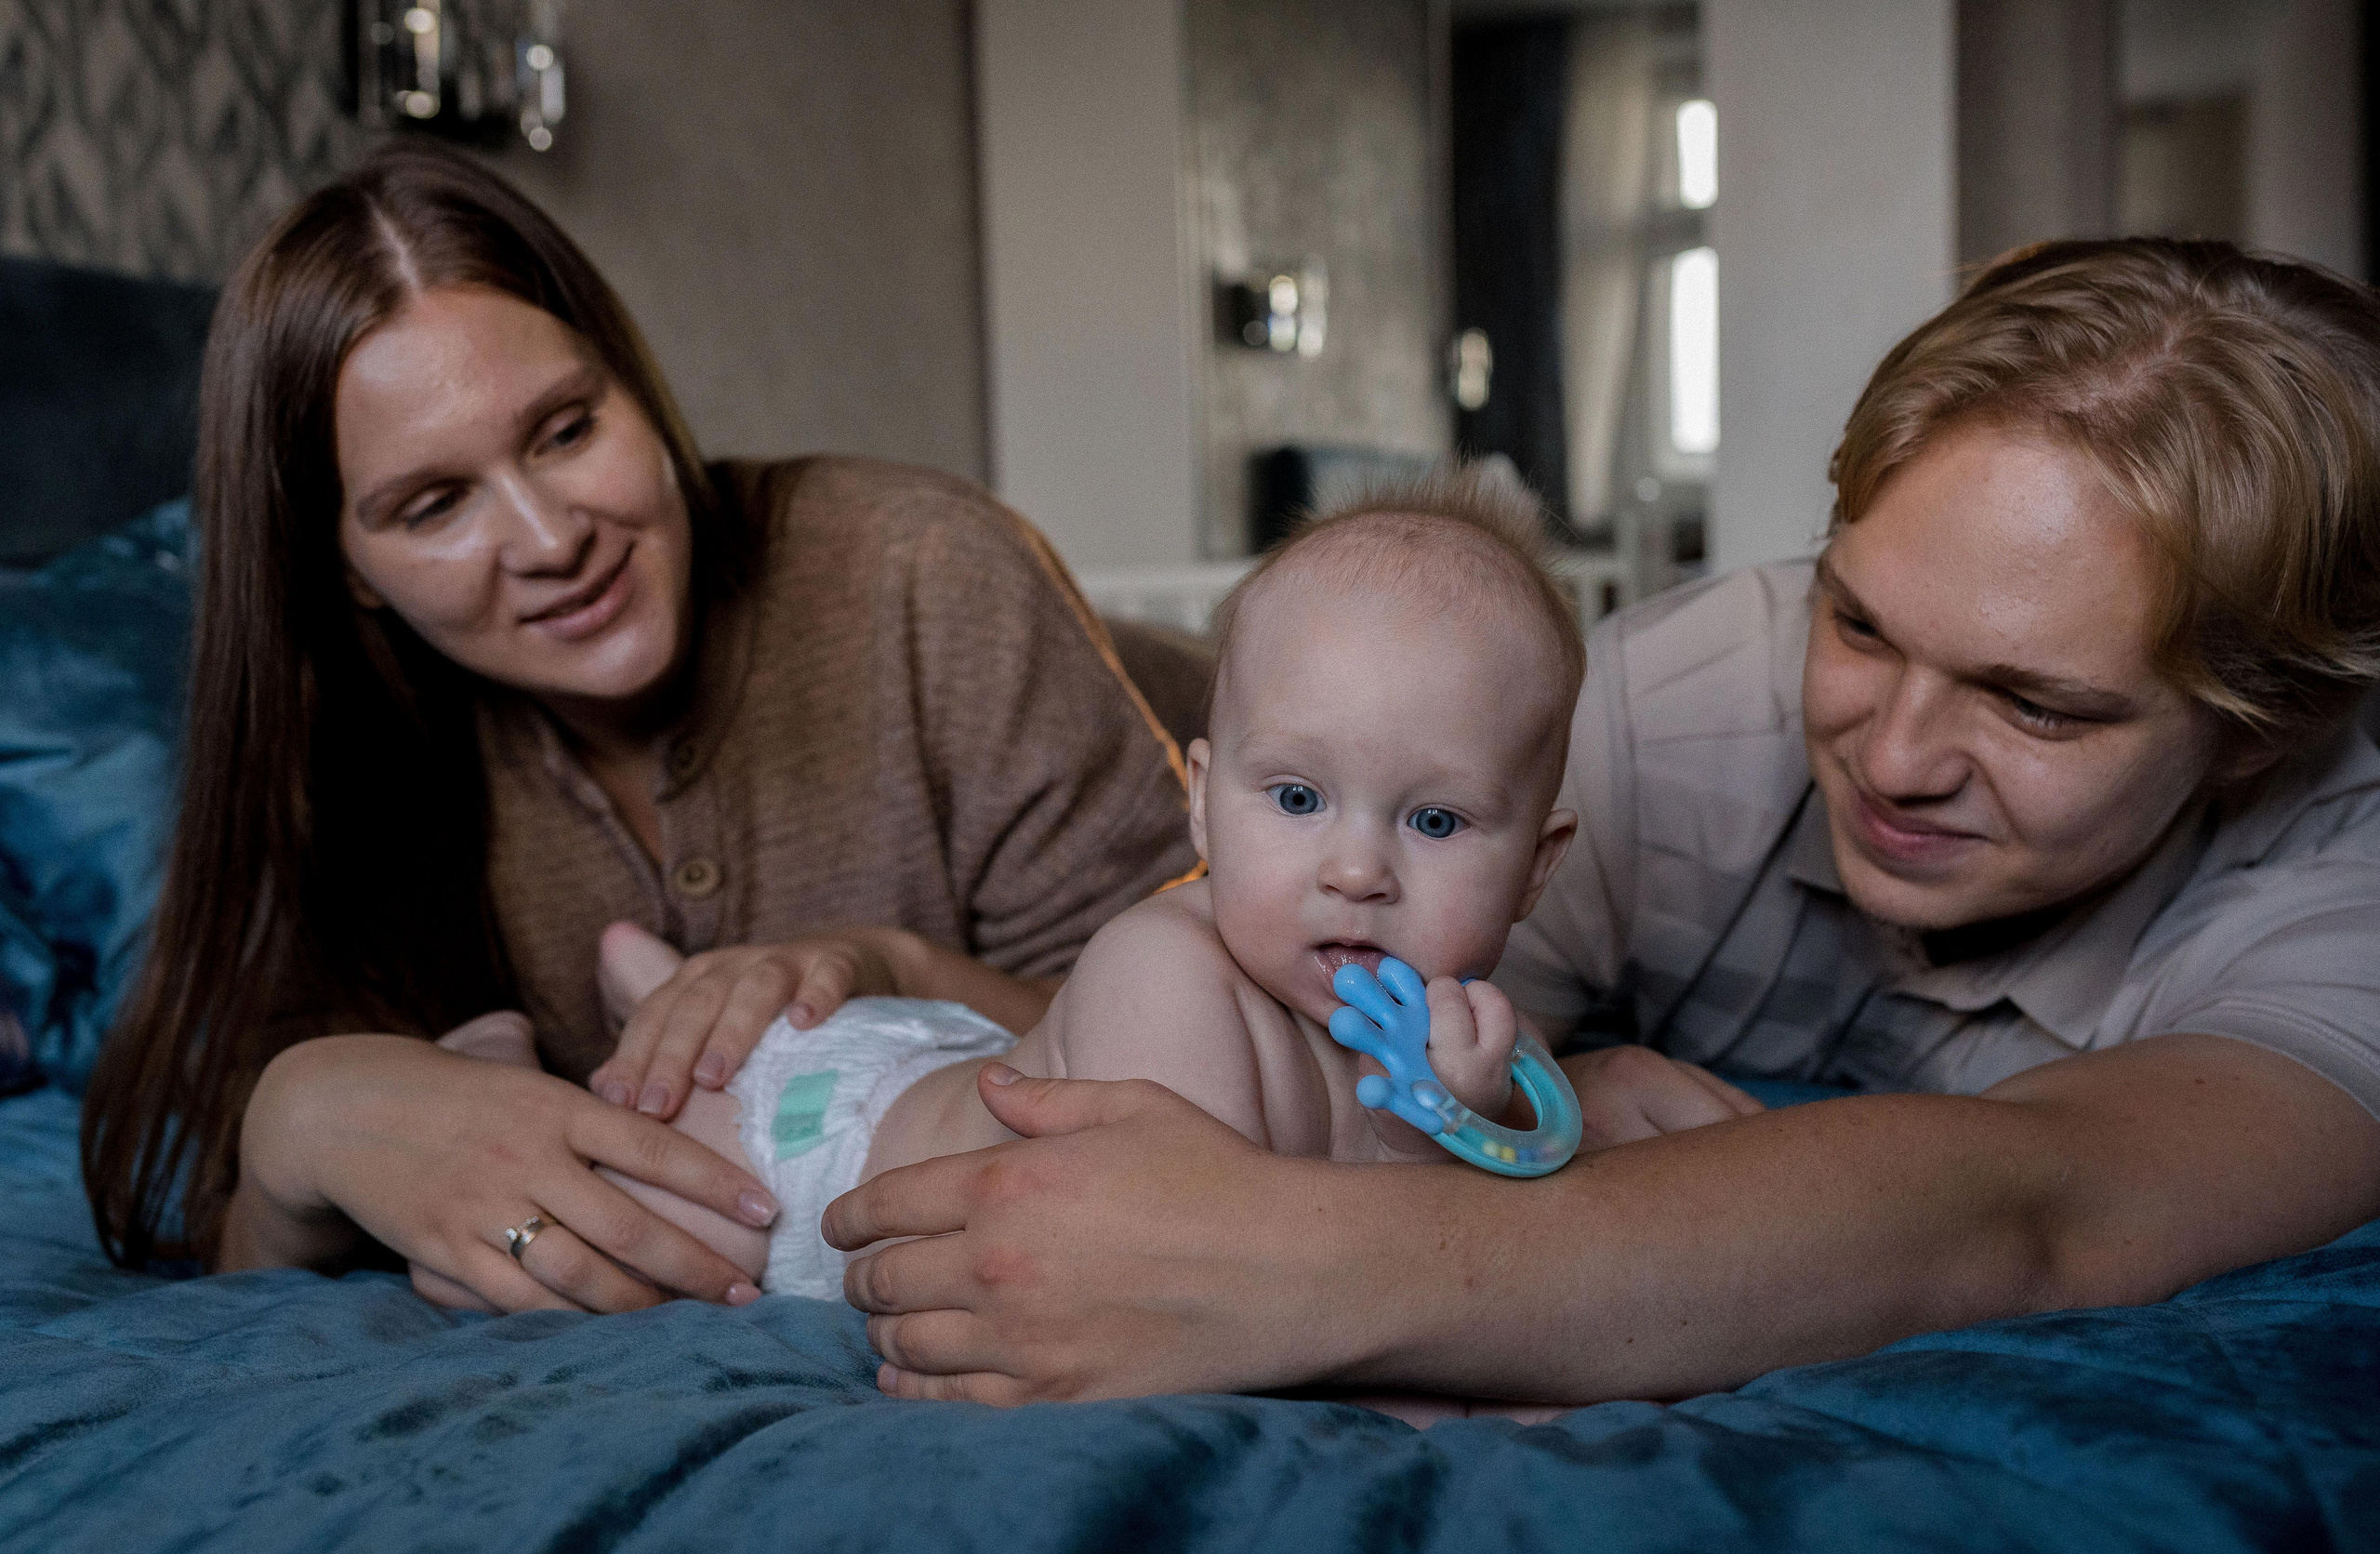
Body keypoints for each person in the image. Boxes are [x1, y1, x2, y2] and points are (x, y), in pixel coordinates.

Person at [825, 238, 2380, 1408]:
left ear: (2268, 729)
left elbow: (2045, 1208)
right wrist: (899, 968)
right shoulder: (1658, 705)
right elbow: (1276, 1011)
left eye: (2035, 705)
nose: (1895, 755)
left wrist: (1278, 1274)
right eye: (1856, 621)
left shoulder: (2347, 895)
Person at [78, 141, 1198, 1316]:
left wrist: (902, 966)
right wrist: (298, 1120)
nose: (551, 538)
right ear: (348, 569)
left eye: (566, 431)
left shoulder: (928, 572)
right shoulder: (339, 751)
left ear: (637, 388)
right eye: (435, 503)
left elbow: (1232, 1041)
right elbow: (229, 1262)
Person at [452, 476, 1600, 1301]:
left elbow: (1465, 1242)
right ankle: (512, 1064)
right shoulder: (1167, 975)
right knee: (630, 1225)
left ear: (1534, 870)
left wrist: (1460, 1117)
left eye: (1435, 821)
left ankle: (661, 990)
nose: (1355, 872)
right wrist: (1419, 1150)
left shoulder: (1483, 1039)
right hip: (815, 1148)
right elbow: (1219, 1269)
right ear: (1203, 803)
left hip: (951, 1052)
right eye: (1297, 798)